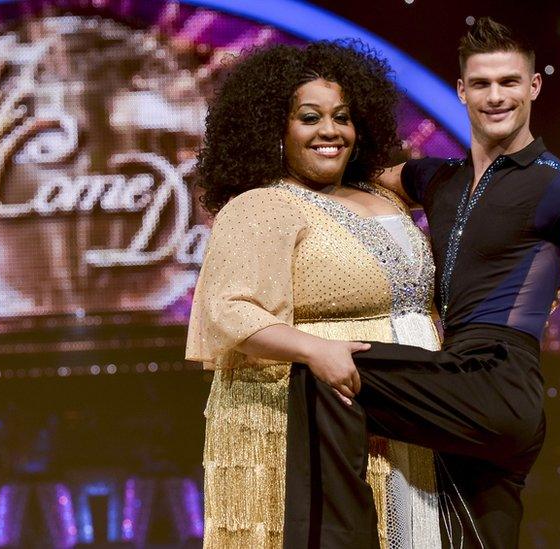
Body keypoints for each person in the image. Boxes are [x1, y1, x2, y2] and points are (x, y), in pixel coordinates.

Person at [291, 17, 560, 548]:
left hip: (499, 385)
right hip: (461, 386)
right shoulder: (436, 178)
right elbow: (349, 174)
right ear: (462, 91)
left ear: (533, 87)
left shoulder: (557, 186)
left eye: (510, 82)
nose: (497, 96)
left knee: (325, 371)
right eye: (483, 84)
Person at [186, 41, 444, 547]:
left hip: (414, 414)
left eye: (342, 117)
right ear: (273, 128)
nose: (330, 131)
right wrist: (314, 350)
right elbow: (228, 310)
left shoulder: (384, 194)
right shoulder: (263, 205)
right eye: (309, 118)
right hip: (320, 420)